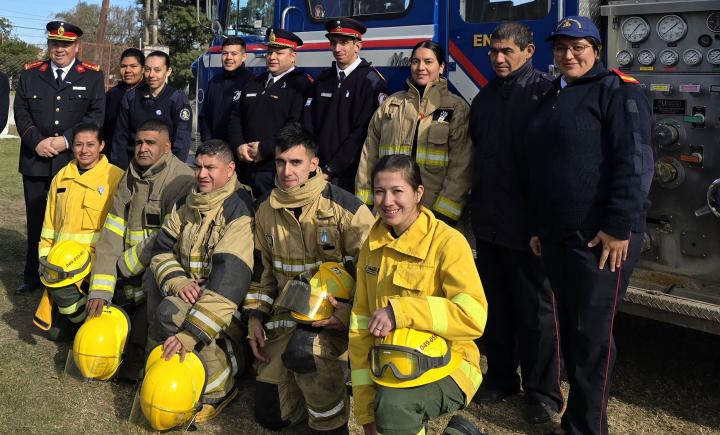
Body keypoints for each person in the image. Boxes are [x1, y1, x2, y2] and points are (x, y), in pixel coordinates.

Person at [525, 16, 653, 435]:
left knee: (591, 334)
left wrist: (619, 227)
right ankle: (574, 418)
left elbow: (634, 164)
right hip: (559, 233)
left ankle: (587, 427)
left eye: (578, 46)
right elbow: (544, 170)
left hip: (601, 237)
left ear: (596, 49)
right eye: (561, 47)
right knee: (569, 327)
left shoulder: (619, 91)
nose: (568, 54)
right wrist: (540, 227)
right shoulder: (554, 94)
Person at [244, 123, 374, 433]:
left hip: (337, 322)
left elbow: (374, 275)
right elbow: (262, 274)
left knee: (305, 353)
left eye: (296, 162)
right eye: (280, 162)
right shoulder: (264, 209)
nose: (286, 171)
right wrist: (254, 318)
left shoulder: (346, 208)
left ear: (314, 164)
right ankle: (315, 376)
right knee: (271, 415)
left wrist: (349, 313)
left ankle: (331, 422)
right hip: (288, 320)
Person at [349, 154, 488, 435]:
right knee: (384, 411)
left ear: (418, 193)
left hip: (455, 363)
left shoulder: (448, 242)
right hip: (391, 366)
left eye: (397, 191)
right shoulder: (371, 246)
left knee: (394, 407)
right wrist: (365, 413)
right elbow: (360, 328)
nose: (387, 202)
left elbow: (473, 317)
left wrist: (400, 312)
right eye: (379, 191)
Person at [468, 22, 563, 423]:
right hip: (489, 222)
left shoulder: (545, 93)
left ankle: (543, 394)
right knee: (495, 306)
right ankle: (502, 376)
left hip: (528, 227)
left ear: (528, 52)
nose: (499, 58)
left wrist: (543, 223)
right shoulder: (485, 97)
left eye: (508, 51)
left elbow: (555, 164)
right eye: (494, 52)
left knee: (536, 312)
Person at [147, 139, 255, 423]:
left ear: (230, 170)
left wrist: (190, 333)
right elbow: (160, 250)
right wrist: (180, 283)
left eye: (211, 168)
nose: (202, 174)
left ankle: (220, 388)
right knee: (168, 303)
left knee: (172, 312)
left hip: (227, 307)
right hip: (190, 295)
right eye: (198, 167)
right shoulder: (187, 202)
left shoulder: (238, 209)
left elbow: (230, 280)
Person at [86, 119, 194, 380]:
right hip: (127, 276)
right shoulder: (130, 176)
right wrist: (100, 289)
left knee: (137, 353)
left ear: (167, 147)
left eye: (150, 143)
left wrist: (125, 268)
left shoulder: (182, 180)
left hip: (158, 275)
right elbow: (111, 234)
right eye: (138, 142)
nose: (142, 148)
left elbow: (167, 240)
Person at [13, 20, 105, 294]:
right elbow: (21, 113)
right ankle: (33, 275)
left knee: (70, 222)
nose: (59, 49)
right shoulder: (30, 74)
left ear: (77, 46)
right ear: (49, 45)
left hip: (72, 162)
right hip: (36, 160)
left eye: (65, 44)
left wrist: (65, 140)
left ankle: (71, 273)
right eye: (55, 43)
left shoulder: (92, 76)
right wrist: (37, 142)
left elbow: (96, 115)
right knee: (37, 219)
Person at [356, 40, 472, 226]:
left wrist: (445, 213)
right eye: (415, 61)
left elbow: (461, 165)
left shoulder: (456, 108)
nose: (421, 68)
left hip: (433, 213)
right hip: (389, 209)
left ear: (441, 67)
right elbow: (369, 155)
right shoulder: (391, 105)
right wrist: (365, 203)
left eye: (428, 62)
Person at [33, 122, 123, 340]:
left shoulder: (116, 177)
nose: (84, 150)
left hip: (95, 265)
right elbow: (49, 226)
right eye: (79, 145)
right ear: (72, 147)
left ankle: (92, 324)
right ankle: (81, 320)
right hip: (61, 265)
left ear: (102, 145)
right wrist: (47, 264)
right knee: (56, 334)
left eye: (90, 144)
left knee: (72, 327)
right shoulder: (61, 177)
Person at [303, 18, 387, 193]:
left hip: (349, 174)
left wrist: (331, 168)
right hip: (316, 169)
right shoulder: (323, 79)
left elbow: (362, 133)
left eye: (344, 42)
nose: (337, 48)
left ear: (357, 46)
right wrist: (312, 159)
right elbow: (308, 122)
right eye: (333, 43)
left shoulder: (371, 82)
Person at [228, 28, 311, 197]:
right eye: (269, 52)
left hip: (274, 170)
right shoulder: (254, 82)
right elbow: (235, 116)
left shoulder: (301, 85)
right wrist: (239, 145)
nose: (272, 57)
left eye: (279, 53)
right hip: (245, 166)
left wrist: (264, 149)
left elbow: (296, 126)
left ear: (292, 56)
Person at [111, 51, 192, 169]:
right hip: (134, 166)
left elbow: (182, 140)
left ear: (168, 71)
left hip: (165, 167)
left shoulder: (177, 99)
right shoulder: (131, 97)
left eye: (157, 70)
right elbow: (120, 137)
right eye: (148, 70)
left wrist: (172, 170)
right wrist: (121, 168)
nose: (151, 75)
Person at [198, 36, 254, 143]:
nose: (228, 57)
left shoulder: (252, 83)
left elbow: (253, 121)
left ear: (244, 56)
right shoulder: (214, 82)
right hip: (215, 149)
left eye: (234, 54)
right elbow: (204, 116)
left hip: (239, 150)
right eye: (224, 53)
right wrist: (208, 141)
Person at [104, 48, 145, 159]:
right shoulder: (111, 95)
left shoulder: (149, 94)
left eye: (133, 66)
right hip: (113, 158)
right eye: (123, 66)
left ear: (143, 69)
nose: (127, 70)